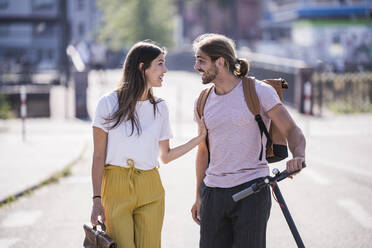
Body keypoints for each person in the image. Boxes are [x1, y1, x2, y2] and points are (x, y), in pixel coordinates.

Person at [190, 33, 306, 248]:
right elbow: (203, 152)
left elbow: (291, 129)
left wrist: (298, 156)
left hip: (252, 190)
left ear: (221, 61)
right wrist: (199, 196)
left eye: (201, 60)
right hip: (213, 193)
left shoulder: (258, 91)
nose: (196, 66)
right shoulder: (202, 100)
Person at [90, 40, 206, 248]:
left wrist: (198, 139)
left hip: (151, 186)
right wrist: (96, 199)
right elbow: (98, 156)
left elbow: (166, 155)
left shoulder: (160, 108)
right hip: (115, 186)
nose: (165, 69)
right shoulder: (107, 103)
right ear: (142, 67)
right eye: (160, 63)